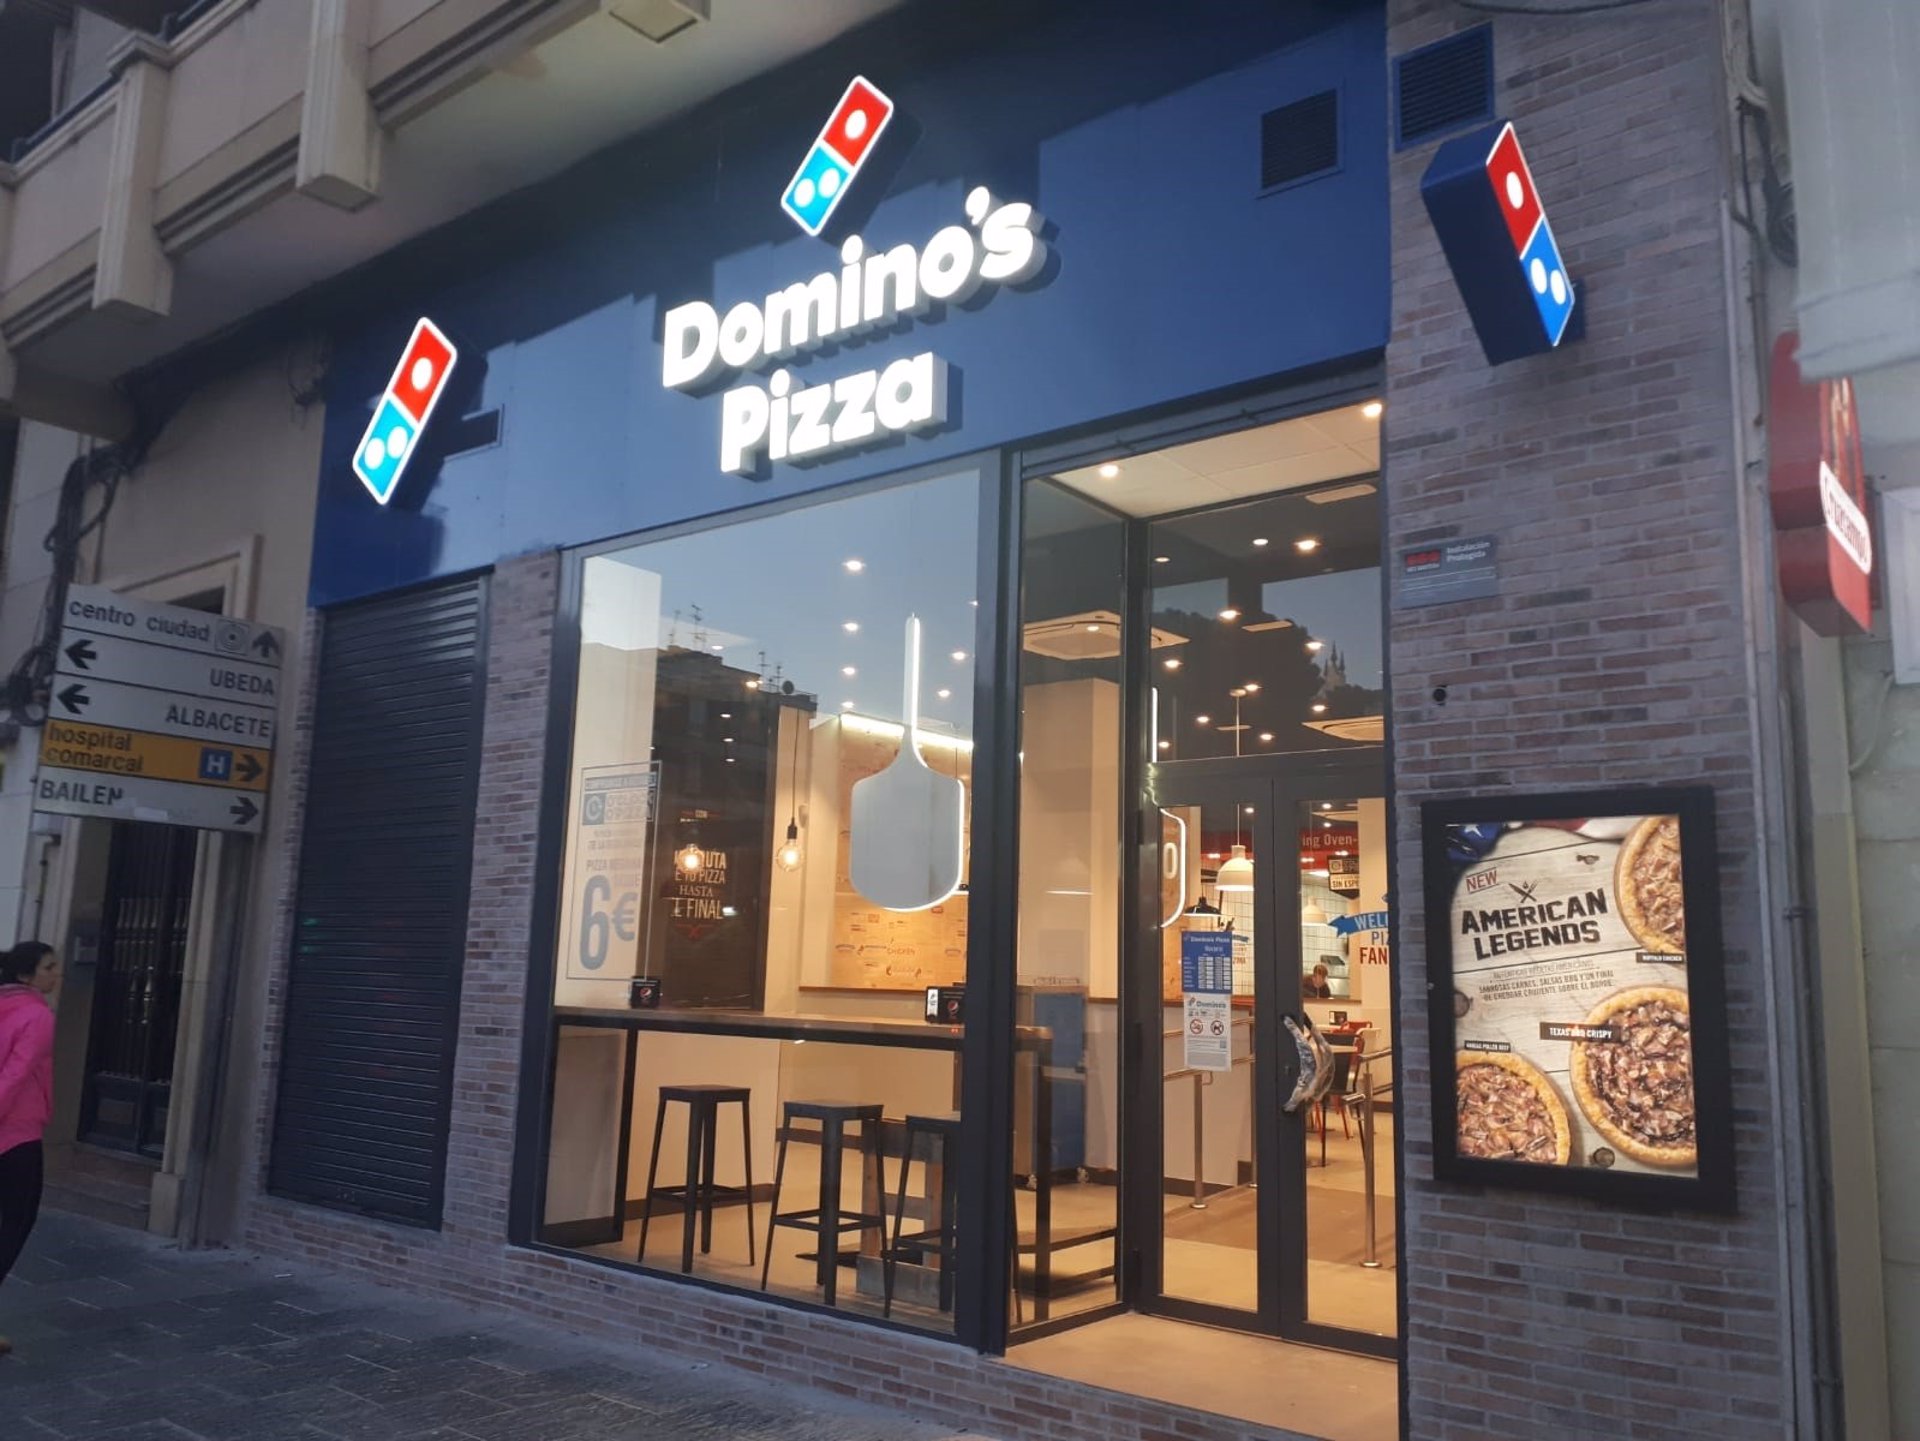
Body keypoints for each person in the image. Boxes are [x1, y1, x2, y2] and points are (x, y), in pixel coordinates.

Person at [0, 940, 59, 1358]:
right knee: (17, 1220)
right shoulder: (37, 1016)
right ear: (26, 975)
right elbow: (16, 1075)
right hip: (16, 1133)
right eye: (49, 967)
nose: (56, 974)